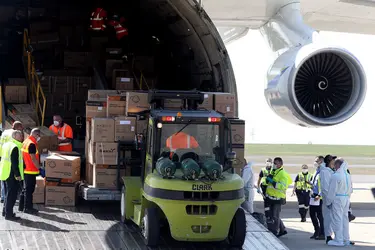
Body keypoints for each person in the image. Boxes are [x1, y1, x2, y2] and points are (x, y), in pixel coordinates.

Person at [326, 158, 354, 246]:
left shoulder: (336, 176)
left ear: (338, 165)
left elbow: (332, 191)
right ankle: (346, 239)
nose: (334, 166)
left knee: (337, 219)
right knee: (345, 219)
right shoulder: (347, 175)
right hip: (346, 198)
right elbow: (351, 189)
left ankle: (338, 239)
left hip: (337, 199)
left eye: (335, 164)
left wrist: (328, 202)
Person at [265, 157, 292, 237]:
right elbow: (267, 180)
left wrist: (273, 182)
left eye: (276, 163)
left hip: (278, 198)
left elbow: (283, 186)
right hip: (272, 197)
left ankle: (275, 231)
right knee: (273, 215)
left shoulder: (283, 174)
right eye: (274, 163)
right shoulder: (274, 171)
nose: (274, 164)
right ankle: (282, 229)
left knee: (275, 216)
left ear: (280, 164)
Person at [0, 130, 24, 220]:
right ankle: (9, 214)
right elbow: (15, 163)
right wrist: (18, 175)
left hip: (5, 173)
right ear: (15, 136)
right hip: (11, 175)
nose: (21, 137)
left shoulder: (7, 145)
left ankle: (5, 211)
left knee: (7, 194)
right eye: (20, 136)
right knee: (12, 195)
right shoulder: (15, 147)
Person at [20, 128, 41, 214]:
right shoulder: (32, 144)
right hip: (30, 170)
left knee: (25, 189)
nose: (39, 138)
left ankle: (22, 207)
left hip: (25, 169)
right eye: (39, 136)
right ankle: (27, 208)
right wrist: (39, 168)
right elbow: (33, 158)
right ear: (36, 135)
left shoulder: (25, 141)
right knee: (29, 190)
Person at [320, 154, 336, 244]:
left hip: (332, 198)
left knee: (332, 218)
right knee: (328, 217)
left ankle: (331, 235)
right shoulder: (325, 172)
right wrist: (329, 200)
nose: (334, 162)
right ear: (329, 162)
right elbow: (325, 187)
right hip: (328, 198)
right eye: (332, 160)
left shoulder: (330, 171)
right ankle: (328, 236)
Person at [308, 156, 325, 240]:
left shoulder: (323, 172)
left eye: (317, 161)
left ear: (321, 162)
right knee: (312, 214)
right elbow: (315, 183)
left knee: (319, 215)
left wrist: (319, 195)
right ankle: (316, 231)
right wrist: (310, 183)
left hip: (319, 197)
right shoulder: (316, 171)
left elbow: (324, 185)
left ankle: (322, 233)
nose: (315, 162)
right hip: (313, 196)